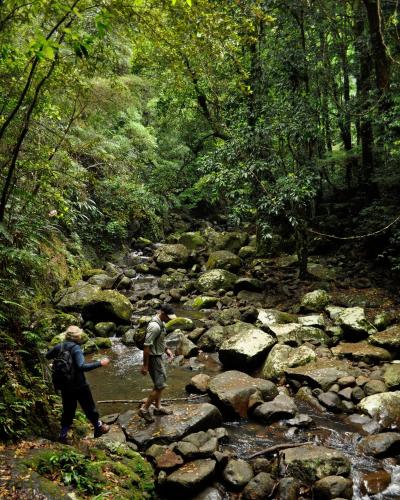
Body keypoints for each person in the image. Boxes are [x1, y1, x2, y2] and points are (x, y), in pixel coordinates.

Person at [46, 325, 110, 443]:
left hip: (65, 385)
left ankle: (63, 435)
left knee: (68, 411)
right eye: (79, 334)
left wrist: (55, 365)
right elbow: (81, 366)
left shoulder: (59, 346)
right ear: (77, 337)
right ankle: (98, 427)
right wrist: (100, 363)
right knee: (89, 408)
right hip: (79, 385)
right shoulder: (76, 349)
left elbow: (47, 355)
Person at [139, 304, 175, 423]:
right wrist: (145, 365)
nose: (170, 319)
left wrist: (167, 350)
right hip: (153, 358)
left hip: (158, 356)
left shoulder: (162, 323)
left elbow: (160, 340)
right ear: (163, 313)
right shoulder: (154, 326)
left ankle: (158, 407)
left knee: (158, 384)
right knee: (160, 385)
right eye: (169, 316)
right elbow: (146, 346)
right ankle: (144, 409)